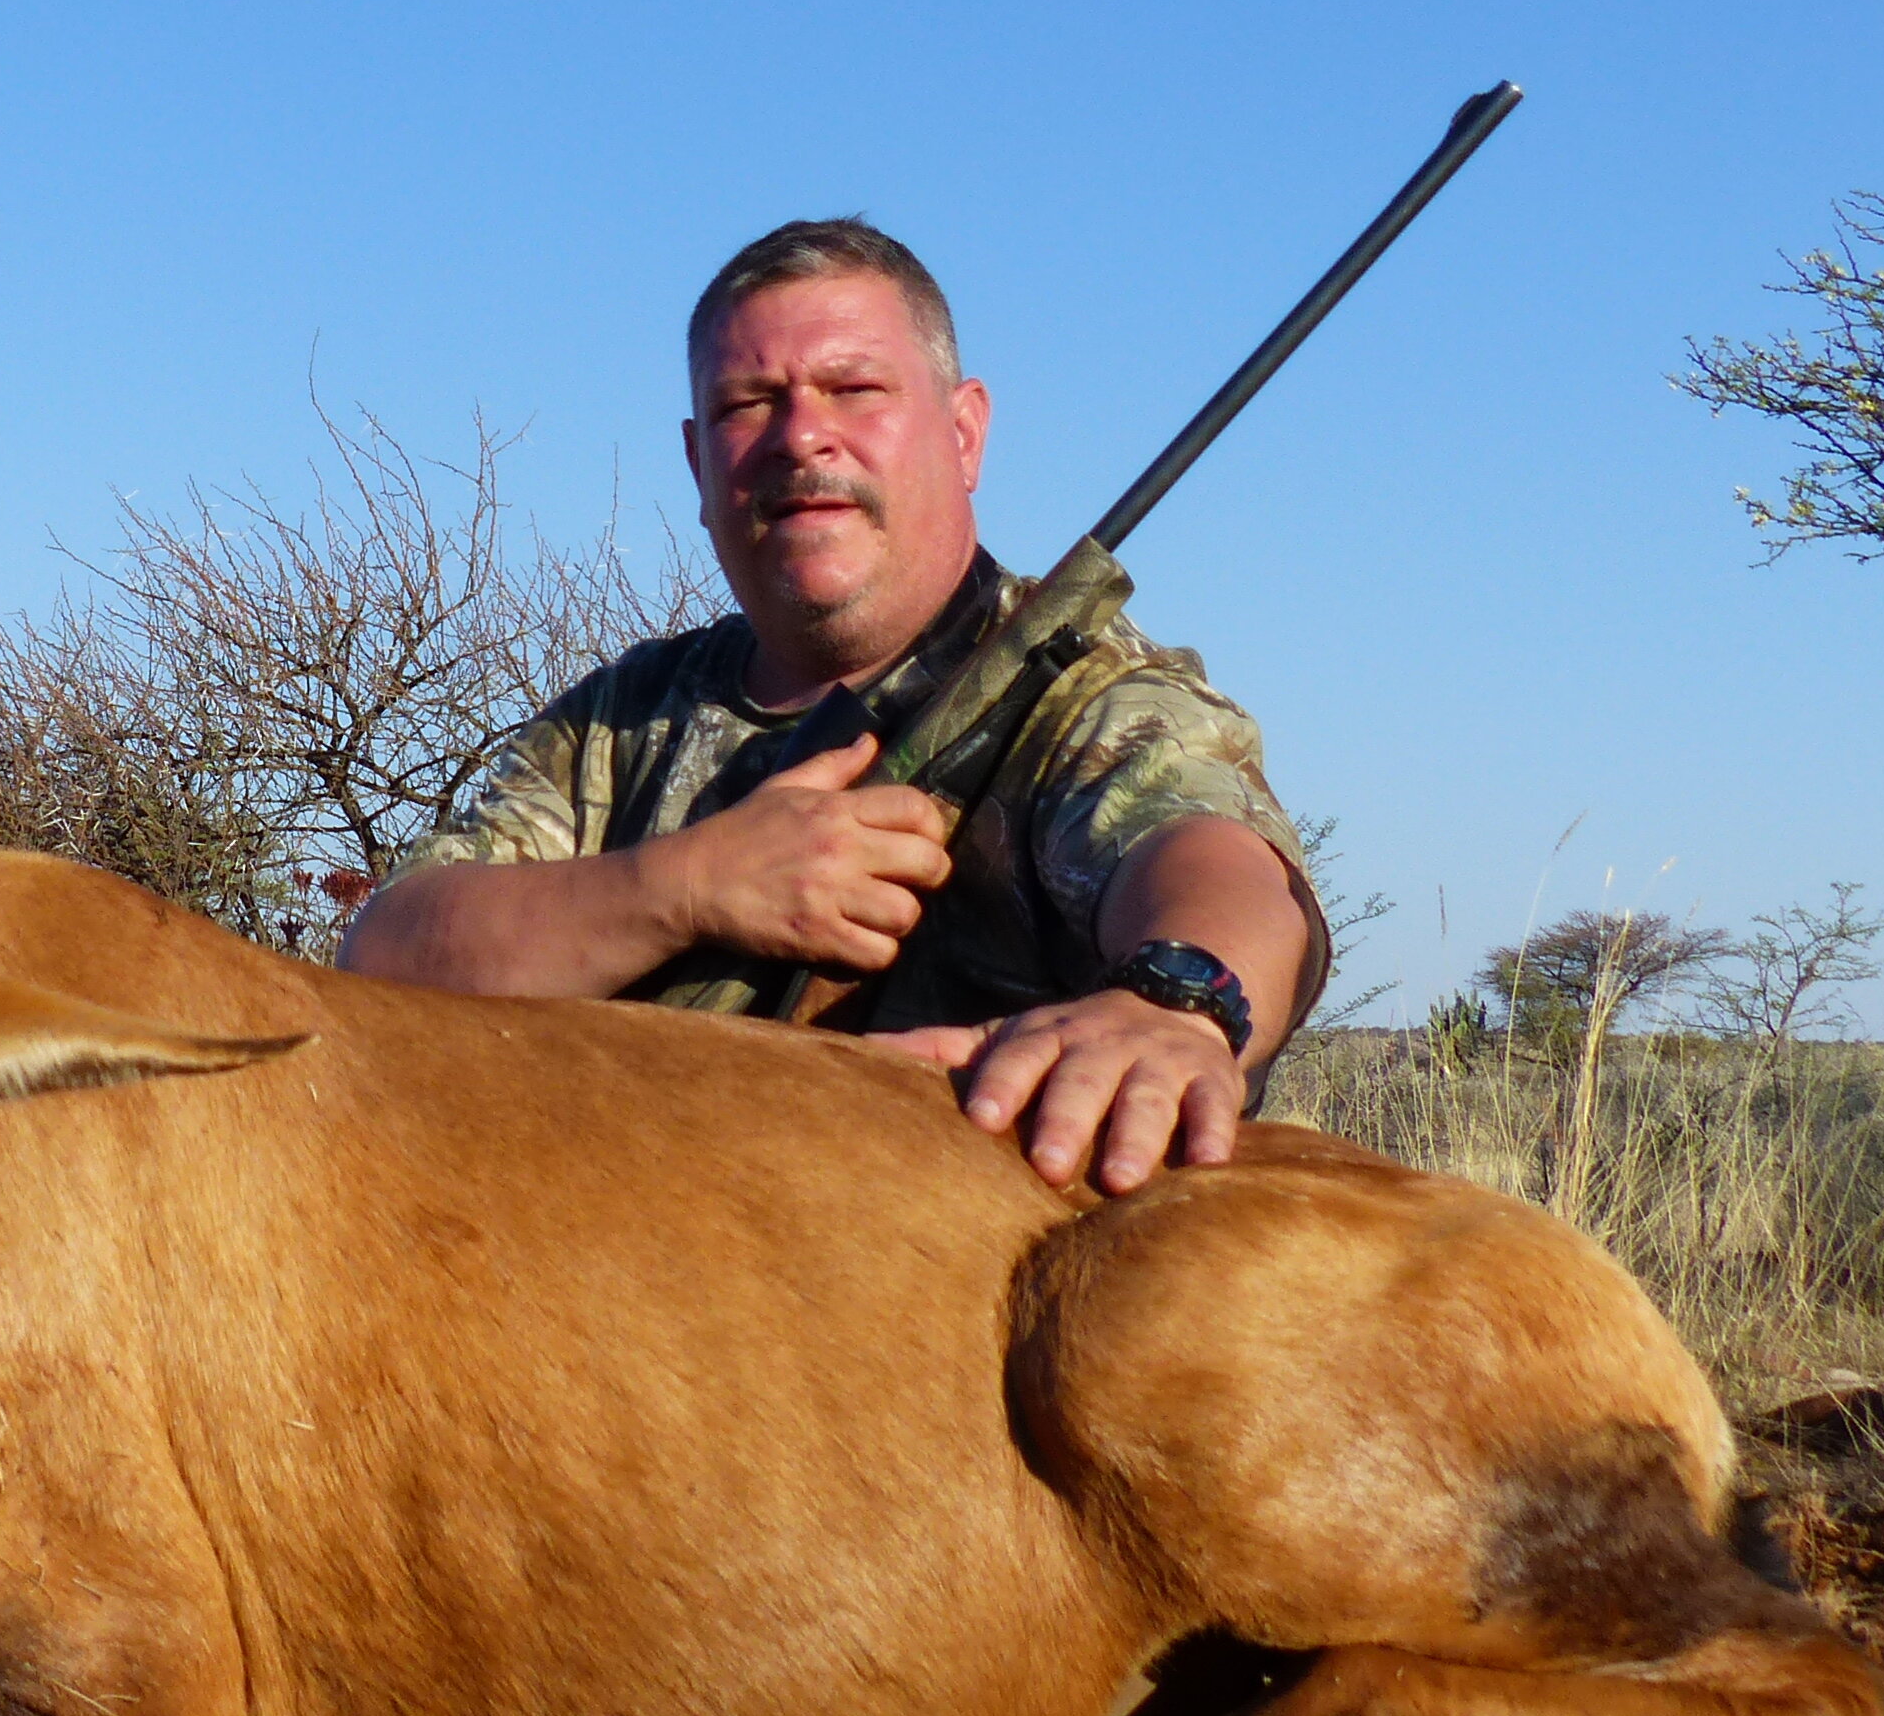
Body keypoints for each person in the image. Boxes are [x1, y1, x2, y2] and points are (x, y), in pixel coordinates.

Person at [338, 218, 1324, 1197]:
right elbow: (386, 951)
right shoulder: (617, 720)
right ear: (696, 464)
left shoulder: (1083, 694)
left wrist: (1180, 995)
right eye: (746, 403)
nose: (799, 434)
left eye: (854, 390)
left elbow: (1213, 856)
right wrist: (684, 886)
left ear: (963, 430)